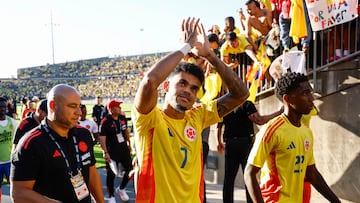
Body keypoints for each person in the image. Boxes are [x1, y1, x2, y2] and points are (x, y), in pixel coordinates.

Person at [131, 17, 249, 202]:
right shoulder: (149, 119)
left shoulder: (197, 116)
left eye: (194, 88)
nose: (188, 90)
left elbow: (241, 94)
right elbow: (149, 81)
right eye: (182, 83)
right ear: (166, 86)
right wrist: (186, 46)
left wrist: (210, 56)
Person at [244, 72, 341, 202]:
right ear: (288, 99)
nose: (311, 98)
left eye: (310, 92)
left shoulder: (306, 132)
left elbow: (312, 174)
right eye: (305, 93)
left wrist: (336, 201)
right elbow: (249, 173)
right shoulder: (272, 130)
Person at [10, 84, 104, 203]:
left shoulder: (83, 134)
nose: (79, 112)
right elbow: (19, 193)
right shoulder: (31, 143)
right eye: (72, 106)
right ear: (53, 106)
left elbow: (91, 172)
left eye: (80, 106)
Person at [217, 100, 283, 203]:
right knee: (249, 176)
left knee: (228, 179)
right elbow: (259, 120)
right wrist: (279, 113)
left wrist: (219, 142)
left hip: (230, 144)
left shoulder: (227, 105)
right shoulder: (246, 104)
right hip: (245, 144)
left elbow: (219, 126)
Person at [99, 99, 132, 203]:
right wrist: (105, 152)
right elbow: (102, 138)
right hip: (112, 150)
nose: (120, 108)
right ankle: (111, 195)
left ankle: (121, 189)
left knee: (130, 170)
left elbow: (126, 131)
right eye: (118, 106)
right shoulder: (105, 121)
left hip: (123, 149)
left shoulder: (122, 118)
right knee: (111, 174)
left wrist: (129, 143)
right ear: (112, 109)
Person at [0, 97, 17, 202]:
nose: (2, 109)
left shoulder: (12, 122)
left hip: (10, 161)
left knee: (15, 187)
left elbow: (17, 141)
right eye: (0, 107)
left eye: (4, 107)